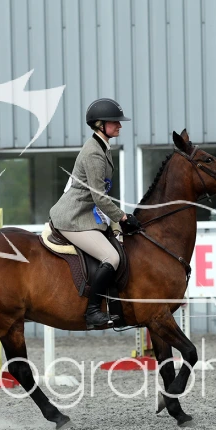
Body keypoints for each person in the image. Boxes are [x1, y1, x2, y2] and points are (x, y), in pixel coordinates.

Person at [49, 98, 142, 328]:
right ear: (100, 124)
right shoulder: (94, 153)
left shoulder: (102, 147)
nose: (119, 125)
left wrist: (116, 222)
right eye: (115, 122)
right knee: (112, 257)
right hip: (73, 217)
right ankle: (92, 311)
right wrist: (122, 217)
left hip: (86, 212)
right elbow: (99, 197)